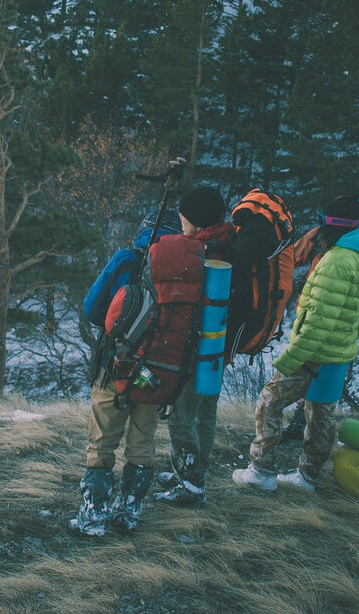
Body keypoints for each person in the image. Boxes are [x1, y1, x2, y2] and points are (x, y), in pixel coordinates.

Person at [72, 187, 225, 535]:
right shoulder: (195, 267)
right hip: (158, 376)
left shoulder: (129, 258)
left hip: (118, 367)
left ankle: (93, 517)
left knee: (102, 441)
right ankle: (129, 513)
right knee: (142, 443)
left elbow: (93, 309)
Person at [233, 195, 359, 491]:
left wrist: (291, 358)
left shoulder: (335, 262)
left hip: (313, 353)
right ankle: (309, 474)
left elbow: (317, 322)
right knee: (320, 412)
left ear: (331, 224)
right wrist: (343, 342)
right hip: (339, 353)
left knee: (269, 401)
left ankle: (261, 470)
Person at [154, 190, 235, 506]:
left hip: (197, 350)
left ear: (196, 221)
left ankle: (190, 485)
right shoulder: (230, 240)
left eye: (183, 218)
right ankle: (193, 471)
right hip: (220, 347)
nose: (181, 223)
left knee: (182, 414)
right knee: (205, 411)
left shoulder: (201, 251)